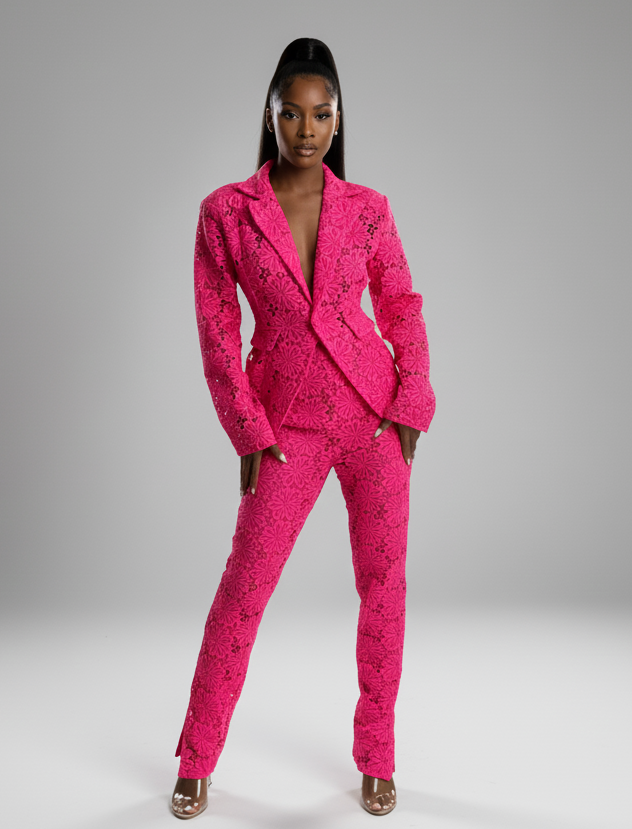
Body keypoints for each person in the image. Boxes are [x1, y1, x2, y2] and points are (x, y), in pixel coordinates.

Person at [170, 37, 436, 820]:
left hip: (373, 419)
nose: (307, 129)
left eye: (322, 114)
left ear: (338, 119)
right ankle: (195, 757)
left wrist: (410, 404)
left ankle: (378, 756)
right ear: (271, 116)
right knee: (243, 591)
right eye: (292, 114)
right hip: (285, 427)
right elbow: (217, 332)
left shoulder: (369, 208)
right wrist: (248, 430)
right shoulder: (226, 212)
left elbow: (402, 305)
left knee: (384, 590)